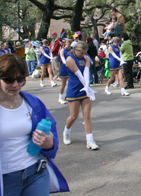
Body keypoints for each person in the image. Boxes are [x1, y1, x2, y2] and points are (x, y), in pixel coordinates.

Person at [0, 53, 69, 195]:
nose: (15, 85)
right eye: (9, 80)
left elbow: (52, 135)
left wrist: (50, 143)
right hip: (5, 179)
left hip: (36, 173)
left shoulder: (32, 103)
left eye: (20, 79)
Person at [63, 42, 98, 150]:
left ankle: (90, 140)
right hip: (74, 90)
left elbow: (86, 73)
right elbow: (79, 75)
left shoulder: (86, 58)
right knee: (74, 116)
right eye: (81, 53)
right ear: (76, 50)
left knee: (87, 115)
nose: (83, 55)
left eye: (84, 53)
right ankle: (66, 132)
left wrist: (88, 89)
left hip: (85, 90)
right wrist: (87, 88)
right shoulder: (70, 59)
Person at [58, 40, 73, 104]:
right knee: (63, 84)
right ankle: (60, 97)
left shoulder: (71, 50)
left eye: (70, 46)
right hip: (65, 68)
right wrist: (67, 63)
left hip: (70, 67)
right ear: (65, 44)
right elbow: (63, 58)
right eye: (68, 46)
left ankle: (68, 96)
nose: (69, 47)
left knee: (71, 83)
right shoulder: (62, 50)